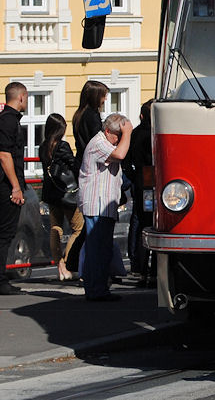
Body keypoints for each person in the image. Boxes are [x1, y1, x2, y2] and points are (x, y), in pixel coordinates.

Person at [78, 112, 132, 301]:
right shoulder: (98, 143)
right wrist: (128, 133)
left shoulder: (105, 141)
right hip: (96, 204)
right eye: (117, 135)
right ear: (108, 131)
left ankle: (99, 288)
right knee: (97, 249)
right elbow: (120, 154)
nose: (119, 140)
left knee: (103, 249)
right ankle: (95, 290)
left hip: (104, 205)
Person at [39, 113, 83, 281]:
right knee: (78, 230)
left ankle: (59, 265)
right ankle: (67, 263)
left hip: (51, 193)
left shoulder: (43, 147)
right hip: (67, 194)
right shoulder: (62, 146)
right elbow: (73, 166)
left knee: (56, 227)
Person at [122, 100, 154, 284]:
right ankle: (155, 271)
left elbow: (126, 161)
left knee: (142, 224)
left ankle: (141, 270)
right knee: (157, 227)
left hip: (142, 180)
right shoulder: (155, 133)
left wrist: (134, 176)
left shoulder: (135, 134)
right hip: (155, 180)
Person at [0, 81, 28, 295]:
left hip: (7, 185)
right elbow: (4, 154)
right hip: (6, 187)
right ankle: (1, 280)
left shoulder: (9, 120)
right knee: (5, 234)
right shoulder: (9, 121)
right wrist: (16, 187)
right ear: (21, 97)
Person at [72, 80, 109, 175]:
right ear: (95, 96)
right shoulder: (92, 116)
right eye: (103, 96)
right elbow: (98, 142)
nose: (105, 99)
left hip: (80, 160)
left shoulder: (79, 114)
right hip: (91, 165)